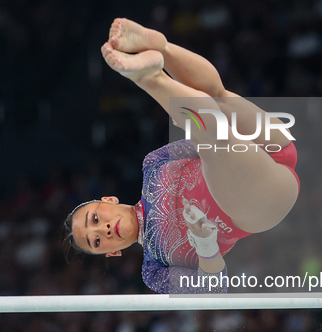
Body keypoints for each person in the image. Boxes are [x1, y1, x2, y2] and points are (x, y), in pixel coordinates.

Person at [65, 18, 300, 293]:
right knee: (211, 134)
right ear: (111, 253)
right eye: (96, 241)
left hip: (273, 150)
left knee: (216, 99)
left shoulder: (152, 163)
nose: (102, 230)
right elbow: (213, 289)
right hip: (259, 204)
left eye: (94, 219)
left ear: (108, 200)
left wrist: (190, 120)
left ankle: (158, 47)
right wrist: (205, 245)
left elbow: (203, 127)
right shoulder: (154, 270)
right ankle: (151, 77)